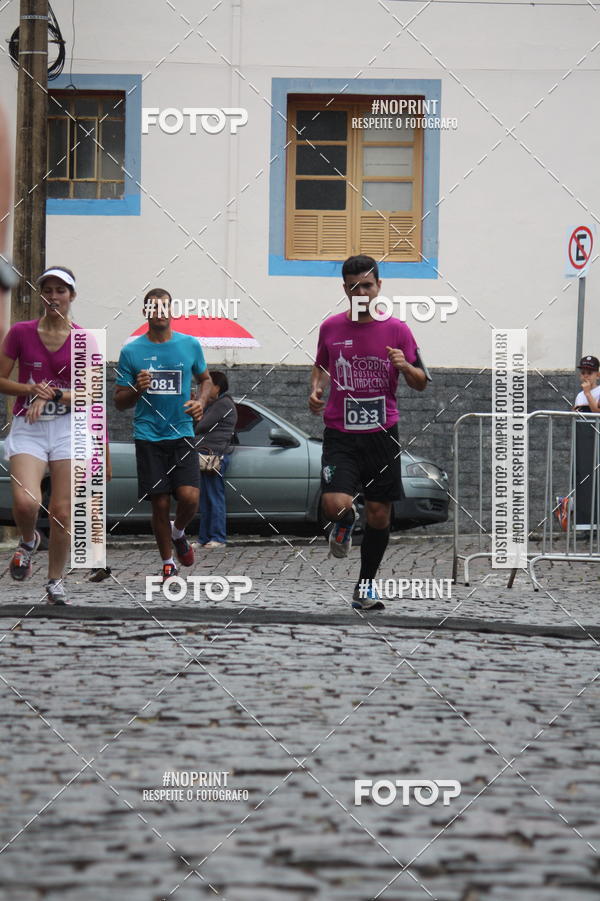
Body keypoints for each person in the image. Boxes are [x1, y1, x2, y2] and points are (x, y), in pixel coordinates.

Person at [309, 254, 427, 611]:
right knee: (335, 505)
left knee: (379, 513)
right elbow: (321, 365)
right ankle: (345, 522)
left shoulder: (398, 330)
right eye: (353, 287)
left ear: (379, 286)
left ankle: (365, 586)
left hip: (381, 432)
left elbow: (421, 381)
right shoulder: (331, 327)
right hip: (341, 432)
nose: (360, 293)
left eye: (367, 286)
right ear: (344, 289)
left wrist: (404, 366)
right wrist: (315, 389)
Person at [114, 288, 212, 582]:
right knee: (159, 503)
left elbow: (205, 380)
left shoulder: (189, 345)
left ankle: (178, 532)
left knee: (190, 498)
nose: (159, 312)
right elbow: (119, 402)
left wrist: (201, 402)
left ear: (172, 311)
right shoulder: (131, 351)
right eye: (153, 307)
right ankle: (168, 562)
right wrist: (137, 388)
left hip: (181, 433)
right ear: (145, 312)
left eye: (164, 307)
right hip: (148, 435)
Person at [0, 266, 83, 604]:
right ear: (41, 295)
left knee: (61, 512)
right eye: (47, 290)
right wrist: (30, 390)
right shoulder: (21, 332)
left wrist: (55, 395)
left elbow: (91, 393)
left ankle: (54, 581)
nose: (53, 296)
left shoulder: (83, 339)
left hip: (68, 428)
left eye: (60, 291)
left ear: (71, 296)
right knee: (26, 502)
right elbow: (1, 379)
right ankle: (28, 539)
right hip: (29, 427)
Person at [195, 370, 237, 548]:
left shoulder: (223, 404)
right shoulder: (215, 404)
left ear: (217, 387)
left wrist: (198, 406)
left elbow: (200, 425)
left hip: (214, 455)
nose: (202, 389)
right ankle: (204, 538)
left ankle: (218, 538)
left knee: (214, 497)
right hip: (207, 455)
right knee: (205, 499)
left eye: (206, 385)